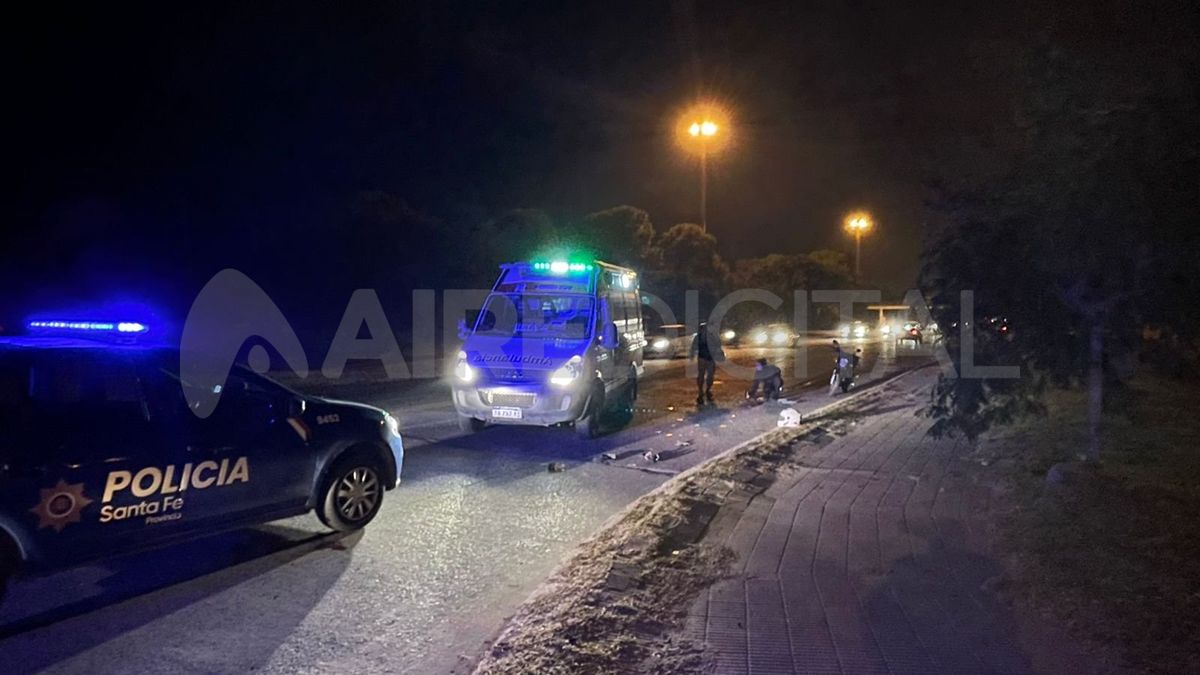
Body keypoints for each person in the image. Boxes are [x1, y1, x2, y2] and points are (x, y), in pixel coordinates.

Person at [689, 321, 725, 405]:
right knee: (708, 375)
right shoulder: (711, 336)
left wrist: (692, 354)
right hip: (708, 357)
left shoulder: (700, 337)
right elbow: (718, 346)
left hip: (704, 357)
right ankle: (705, 391)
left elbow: (694, 347)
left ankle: (702, 392)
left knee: (703, 375)